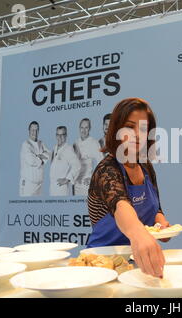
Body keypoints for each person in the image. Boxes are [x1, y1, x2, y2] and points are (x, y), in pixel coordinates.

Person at [86, 98, 170, 278]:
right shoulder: (107, 170)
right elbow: (121, 206)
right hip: (102, 265)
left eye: (142, 128)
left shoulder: (146, 166)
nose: (137, 135)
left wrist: (162, 224)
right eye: (129, 127)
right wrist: (139, 234)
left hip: (137, 262)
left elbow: (156, 208)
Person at [73, 118, 104, 196]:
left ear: (89, 128)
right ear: (79, 128)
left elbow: (102, 163)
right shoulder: (76, 143)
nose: (84, 130)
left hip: (87, 185)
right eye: (82, 127)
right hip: (76, 184)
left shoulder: (94, 143)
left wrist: (92, 179)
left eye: (86, 127)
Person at [19, 121, 50, 196]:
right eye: (33, 130)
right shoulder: (26, 144)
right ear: (29, 130)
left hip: (39, 183)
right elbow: (31, 161)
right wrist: (41, 158)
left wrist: (37, 156)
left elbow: (49, 154)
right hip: (28, 184)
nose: (35, 132)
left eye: (37, 130)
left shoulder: (41, 143)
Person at [49, 126, 81, 196]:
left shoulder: (68, 149)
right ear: (56, 136)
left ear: (66, 135)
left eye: (62, 135)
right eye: (58, 135)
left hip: (61, 189)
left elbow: (77, 165)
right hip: (52, 188)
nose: (59, 137)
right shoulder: (55, 148)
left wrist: (67, 179)